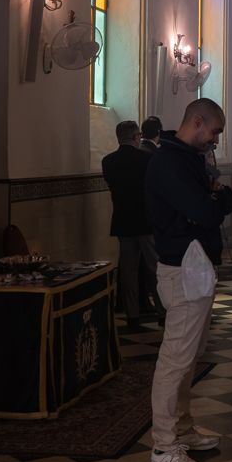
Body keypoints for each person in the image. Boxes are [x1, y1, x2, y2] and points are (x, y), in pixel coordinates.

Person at [145, 98, 232, 462]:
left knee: (190, 354)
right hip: (181, 268)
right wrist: (219, 197)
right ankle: (164, 446)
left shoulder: (186, 158)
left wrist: (216, 197)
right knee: (175, 359)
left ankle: (181, 427)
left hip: (195, 266)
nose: (215, 141)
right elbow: (208, 210)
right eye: (214, 132)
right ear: (197, 122)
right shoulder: (169, 162)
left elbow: (210, 201)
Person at [101, 120, 162, 327]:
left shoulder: (108, 161)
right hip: (145, 221)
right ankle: (163, 312)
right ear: (136, 138)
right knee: (154, 268)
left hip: (123, 221)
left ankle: (132, 315)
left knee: (128, 271)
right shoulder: (147, 159)